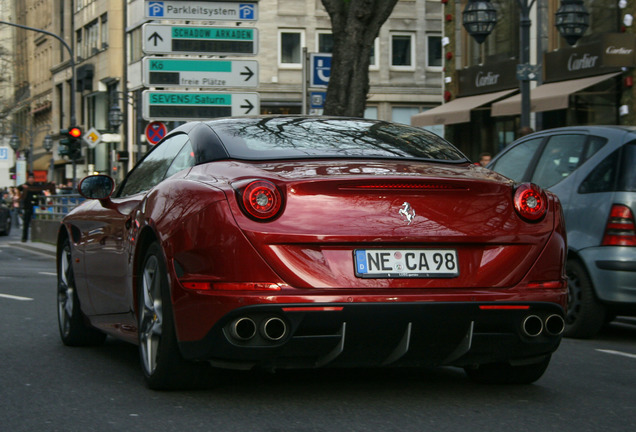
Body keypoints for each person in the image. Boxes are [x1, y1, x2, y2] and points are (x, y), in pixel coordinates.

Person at [17, 173, 43, 242]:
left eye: (32, 178)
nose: (31, 180)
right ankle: (24, 238)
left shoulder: (36, 185)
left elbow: (41, 190)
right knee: (26, 223)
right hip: (27, 206)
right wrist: (23, 186)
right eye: (30, 178)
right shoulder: (25, 185)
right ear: (28, 179)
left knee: (36, 223)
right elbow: (18, 188)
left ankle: (35, 238)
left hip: (36, 206)